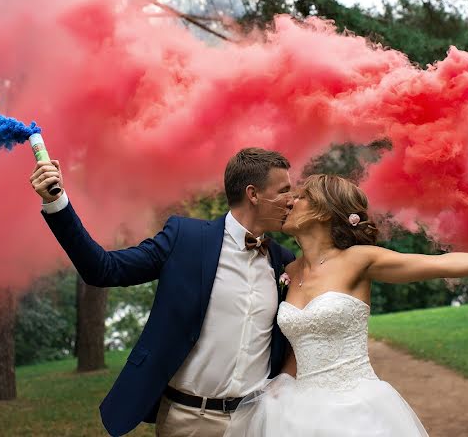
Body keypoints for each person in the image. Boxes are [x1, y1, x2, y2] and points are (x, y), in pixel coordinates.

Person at [224, 173, 468, 437]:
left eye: (300, 198)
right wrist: (279, 387)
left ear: (324, 211)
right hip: (295, 415)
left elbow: (439, 265)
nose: (289, 203)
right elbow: (302, 344)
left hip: (355, 410)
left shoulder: (359, 259)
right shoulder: (288, 271)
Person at [30, 148, 297, 437]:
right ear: (253, 194)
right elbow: (103, 269)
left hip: (256, 422)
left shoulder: (284, 262)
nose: (291, 200)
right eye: (284, 191)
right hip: (189, 421)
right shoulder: (186, 238)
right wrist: (57, 203)